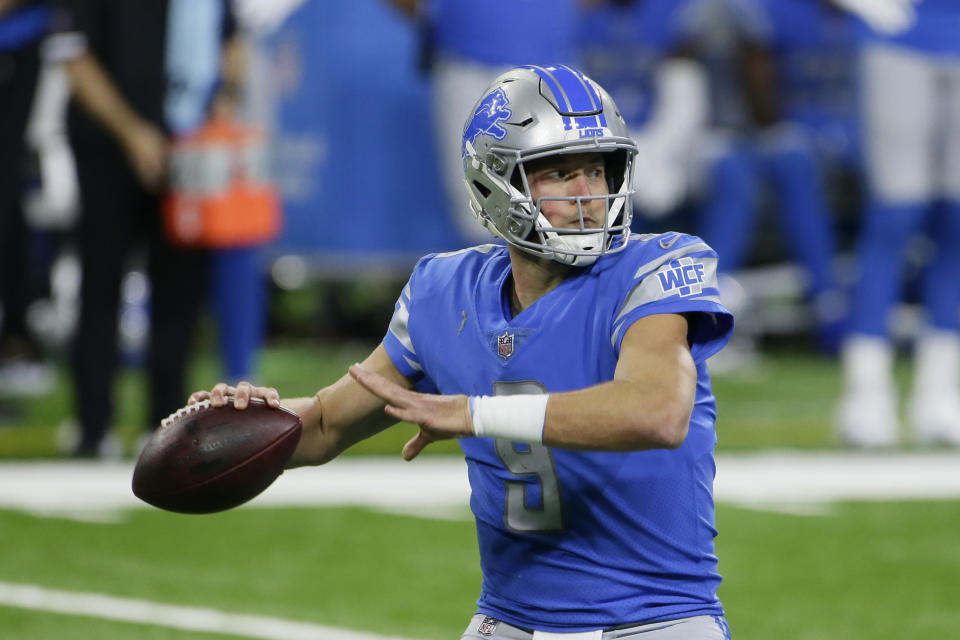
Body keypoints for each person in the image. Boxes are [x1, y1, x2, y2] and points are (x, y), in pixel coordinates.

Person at [188, 65, 734, 638]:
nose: (588, 194)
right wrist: (249, 423)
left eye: (599, 168)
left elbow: (657, 412)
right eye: (560, 172)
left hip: (654, 620)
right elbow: (326, 423)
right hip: (509, 621)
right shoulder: (443, 292)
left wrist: (472, 413)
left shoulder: (657, 267)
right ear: (492, 185)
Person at [46, 0, 240, 457]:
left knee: (180, 296)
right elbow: (75, 57)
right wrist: (133, 133)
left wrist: (221, 105)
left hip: (188, 148)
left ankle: (168, 426)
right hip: (106, 146)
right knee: (100, 285)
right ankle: (94, 426)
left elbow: (231, 41)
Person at [835, 0, 960, 447]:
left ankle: (941, 391)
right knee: (895, 215)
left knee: (955, 223)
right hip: (899, 40)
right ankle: (866, 391)